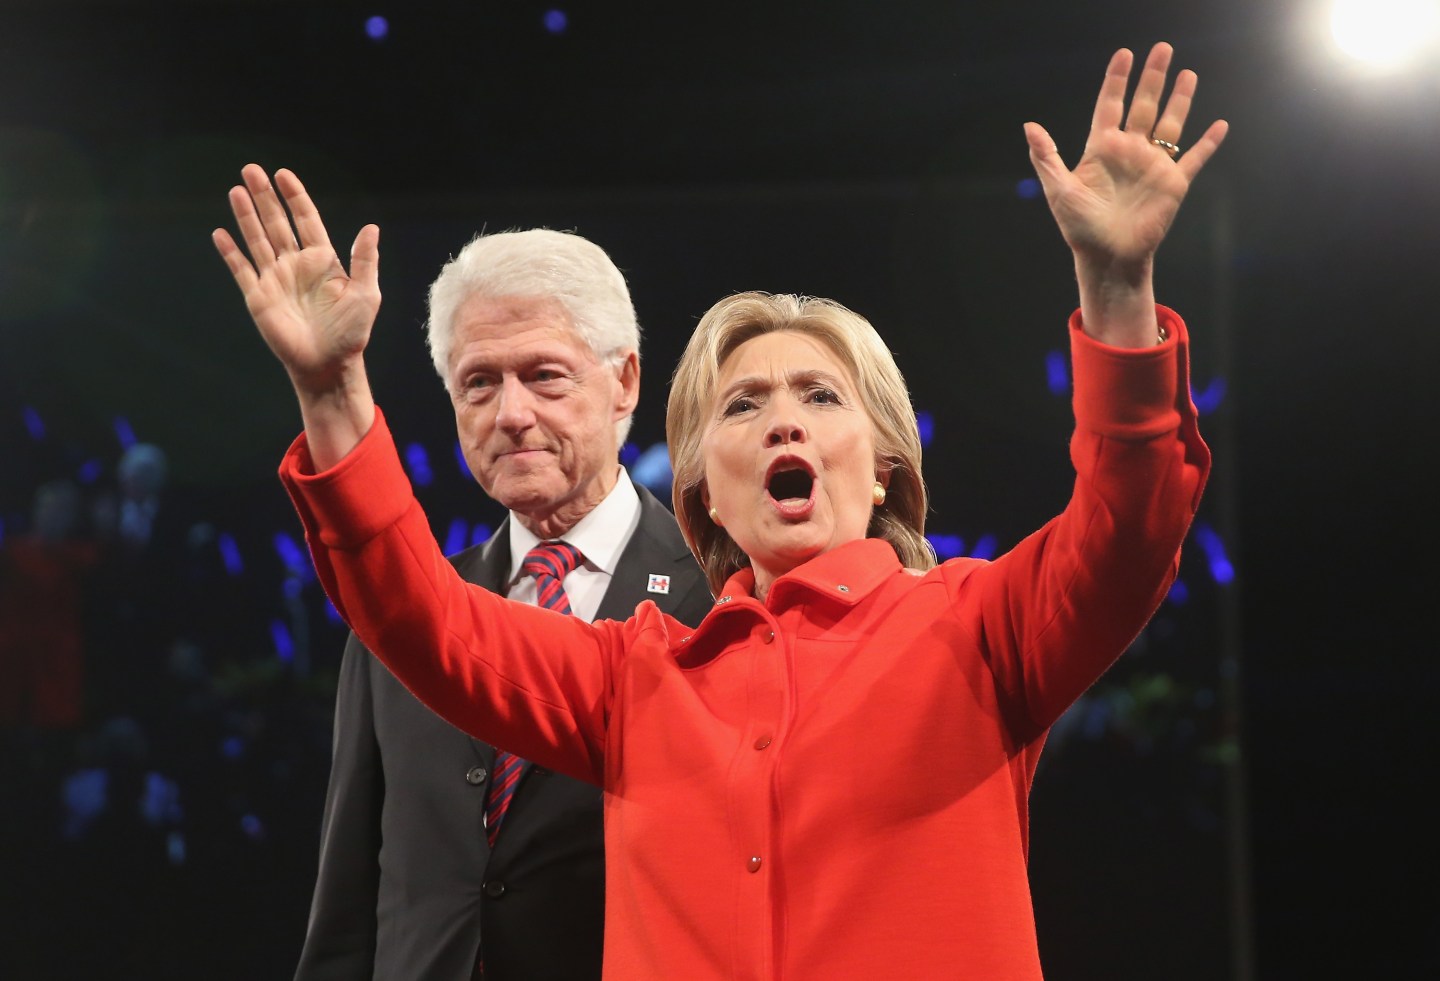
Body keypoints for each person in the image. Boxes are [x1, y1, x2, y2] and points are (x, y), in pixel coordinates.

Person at [216, 41, 1226, 980]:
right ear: (703, 486)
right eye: (743, 405)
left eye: (819, 396)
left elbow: (1131, 525)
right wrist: (333, 394)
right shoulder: (636, 679)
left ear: (882, 467)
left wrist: (1116, 286)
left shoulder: (980, 627)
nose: (783, 420)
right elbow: (420, 618)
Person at [218, 211, 713, 976]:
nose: (511, 415)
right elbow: (349, 899)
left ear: (624, 383)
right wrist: (329, 389)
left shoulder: (720, 605)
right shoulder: (398, 618)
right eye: (479, 382)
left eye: (544, 375)